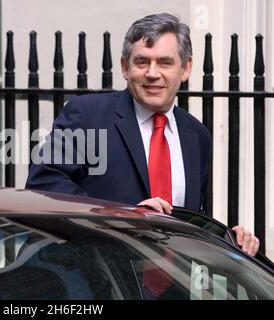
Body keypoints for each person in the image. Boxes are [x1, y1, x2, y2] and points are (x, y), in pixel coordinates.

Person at [25, 13, 259, 256]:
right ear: (125, 67)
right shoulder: (88, 116)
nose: (152, 73)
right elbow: (44, 183)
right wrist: (119, 217)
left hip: (168, 284)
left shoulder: (196, 136)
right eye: (142, 62)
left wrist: (230, 240)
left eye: (165, 62)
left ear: (186, 68)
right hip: (93, 278)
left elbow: (189, 220)